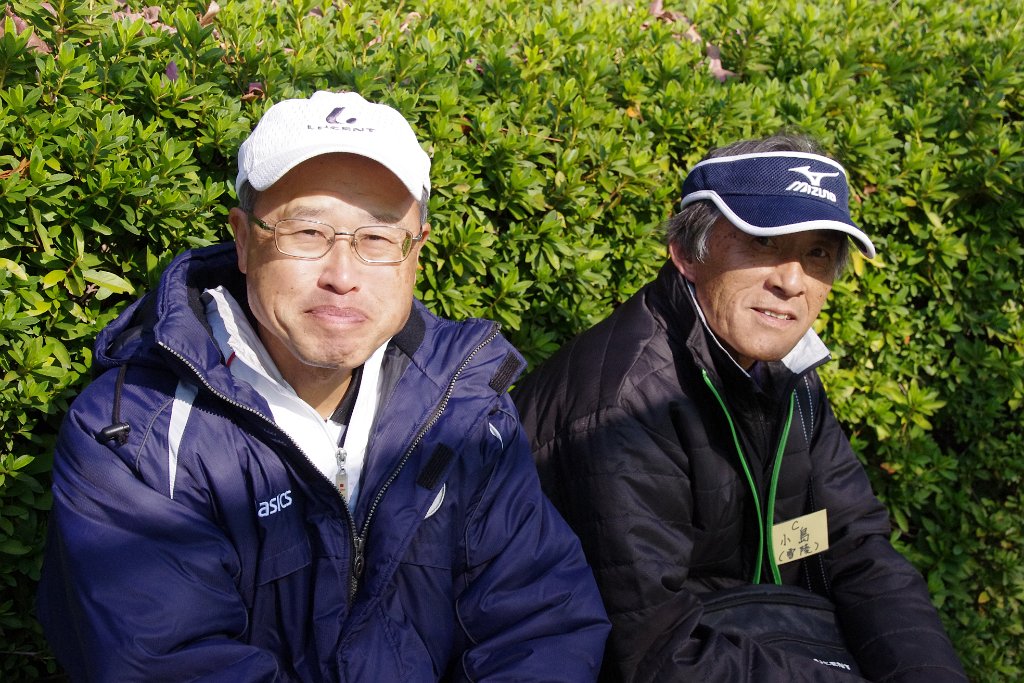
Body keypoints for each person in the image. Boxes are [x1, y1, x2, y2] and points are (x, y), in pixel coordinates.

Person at [37, 90, 609, 681]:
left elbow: (542, 624)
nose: (342, 275)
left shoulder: (466, 408)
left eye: (378, 237)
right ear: (243, 239)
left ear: (416, 252)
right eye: (307, 231)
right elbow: (169, 664)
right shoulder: (138, 438)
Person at [512, 132, 968, 682]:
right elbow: (653, 649)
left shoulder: (787, 374)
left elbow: (854, 548)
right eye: (763, 242)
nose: (792, 282)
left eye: (817, 253)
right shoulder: (627, 405)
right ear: (687, 253)